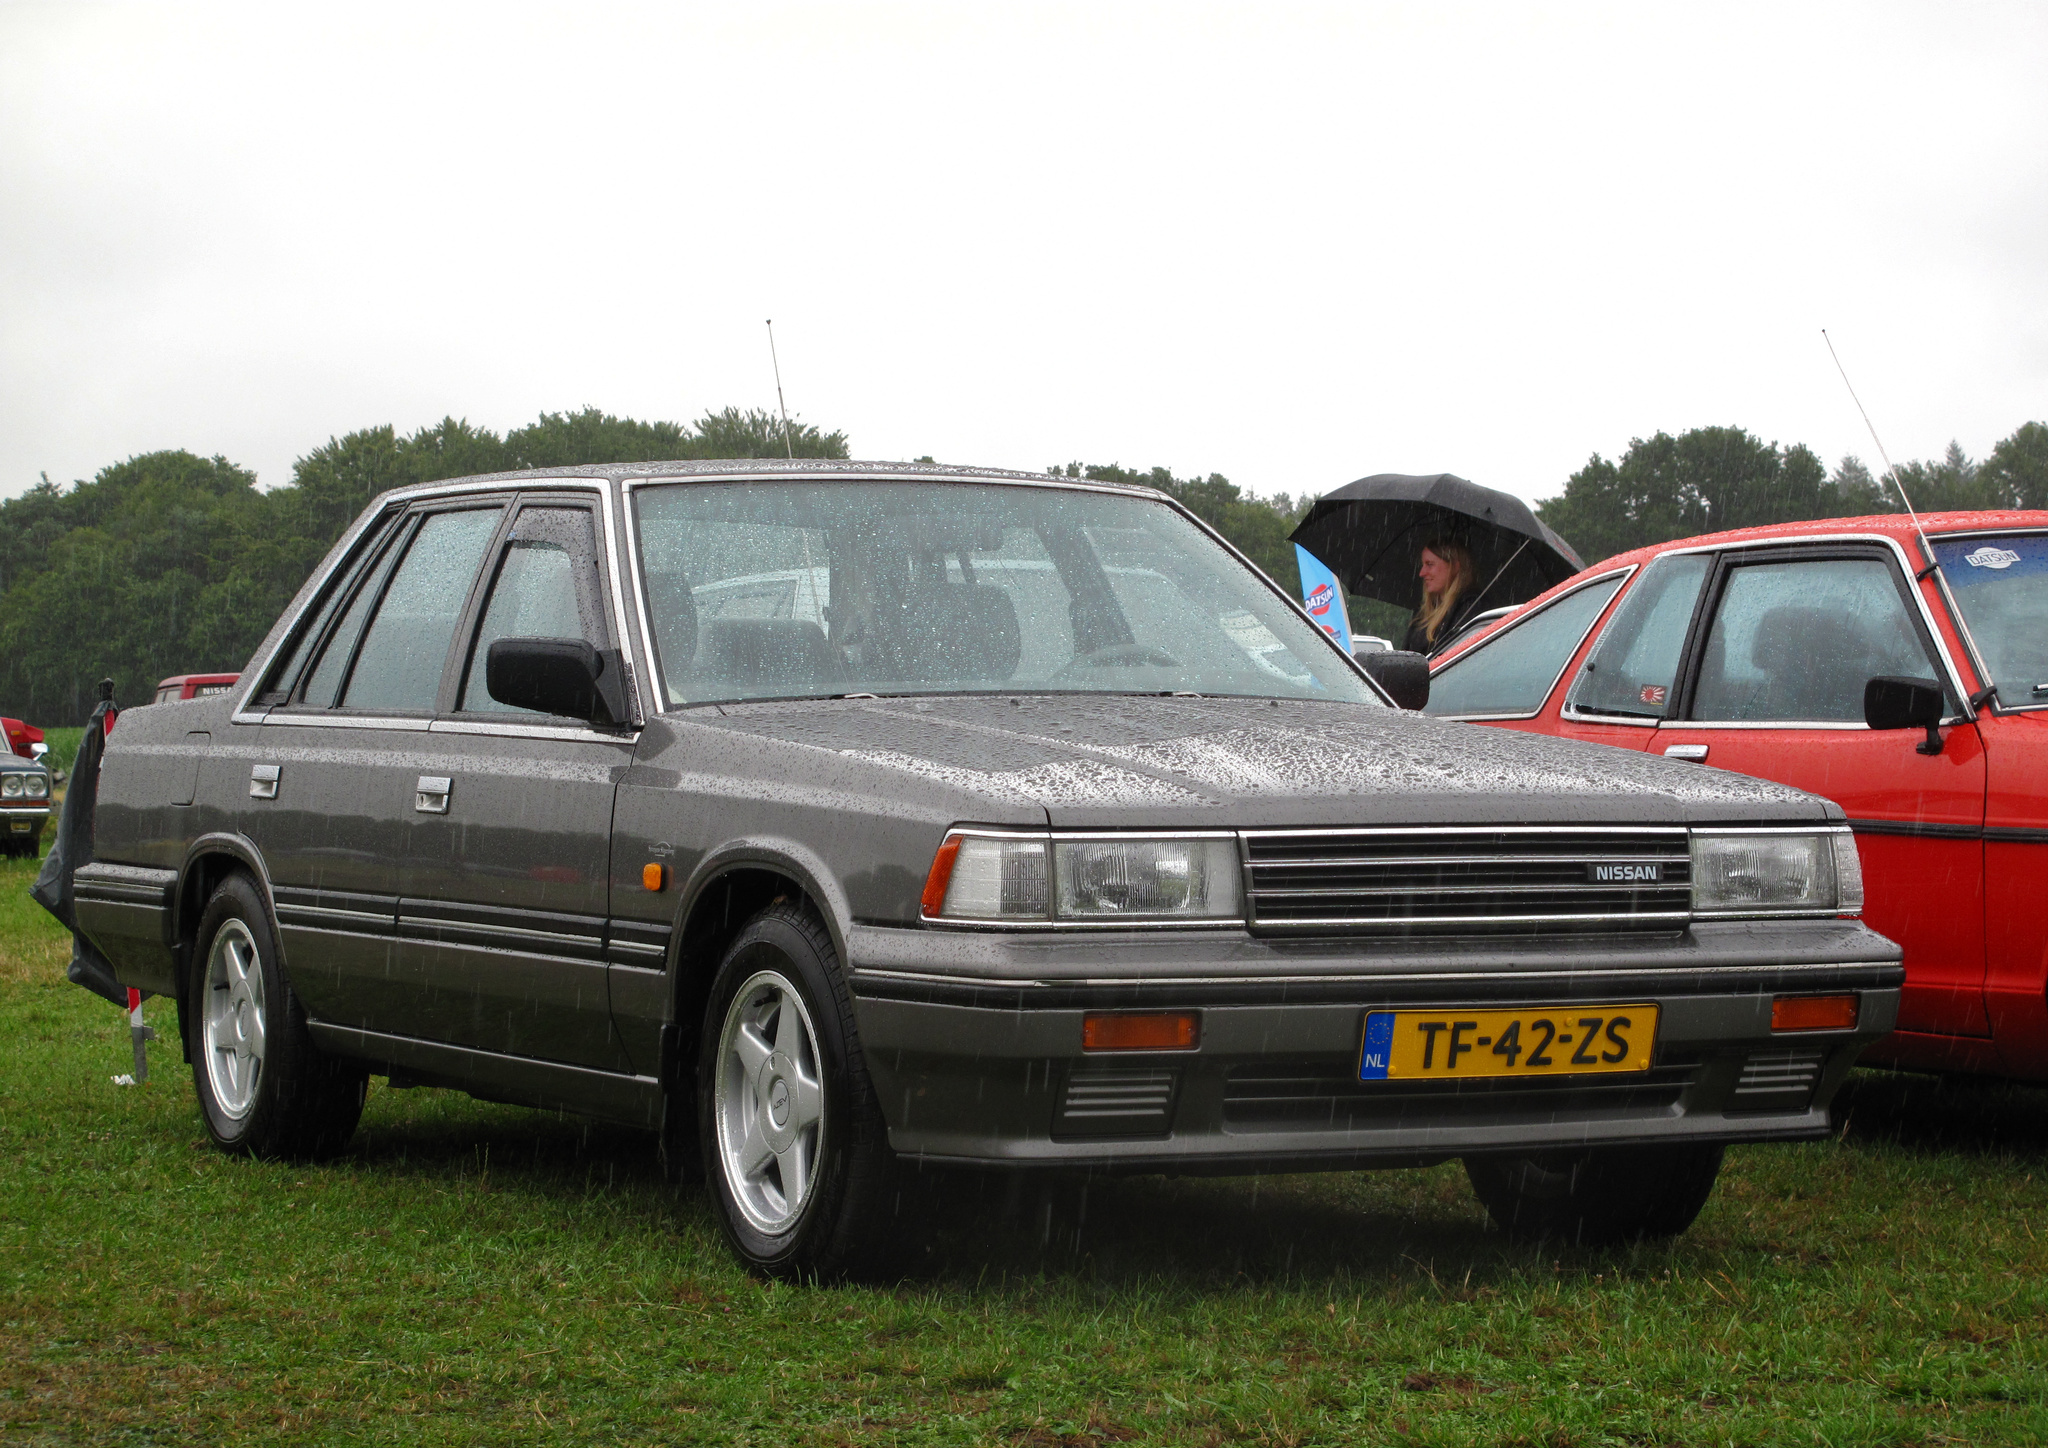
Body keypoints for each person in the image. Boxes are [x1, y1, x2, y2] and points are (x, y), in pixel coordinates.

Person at [1402, 537, 1474, 655]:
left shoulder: (1470, 607)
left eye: (1429, 564)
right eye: (1423, 565)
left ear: (1455, 567)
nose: (1422, 573)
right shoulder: (1423, 612)